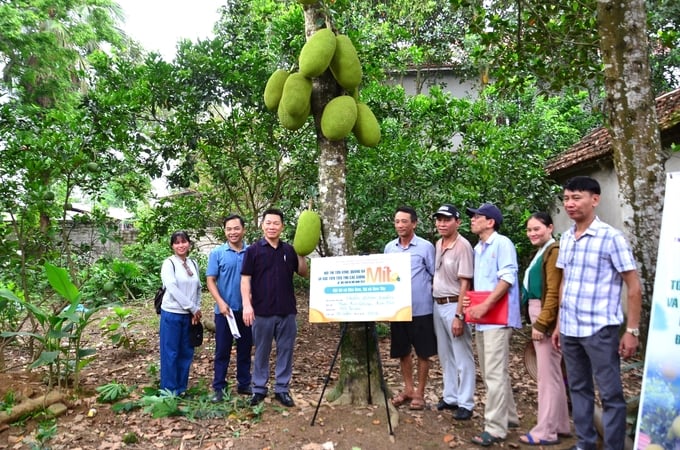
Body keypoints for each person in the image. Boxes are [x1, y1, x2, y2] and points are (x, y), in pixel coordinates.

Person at [551, 176, 642, 450]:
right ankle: (586, 443)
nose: (570, 203)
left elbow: (633, 285)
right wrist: (558, 325)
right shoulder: (567, 238)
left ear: (595, 199)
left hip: (600, 330)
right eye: (566, 198)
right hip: (570, 329)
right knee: (578, 389)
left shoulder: (611, 238)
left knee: (611, 393)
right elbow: (565, 282)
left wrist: (632, 330)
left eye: (576, 197)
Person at [463, 203, 521, 447]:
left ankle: (495, 428)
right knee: (491, 372)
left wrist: (484, 305)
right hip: (484, 318)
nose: (473, 220)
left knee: (494, 374)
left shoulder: (502, 243)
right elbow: (486, 283)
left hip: (498, 317)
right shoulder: (478, 249)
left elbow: (507, 278)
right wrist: (472, 300)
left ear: (491, 222)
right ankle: (509, 416)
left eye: (478, 217)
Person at [241, 208, 309, 408]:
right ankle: (259, 389)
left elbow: (303, 273)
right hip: (262, 311)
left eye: (276, 223)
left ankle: (282, 389)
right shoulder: (253, 250)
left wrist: (302, 255)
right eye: (268, 223)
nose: (272, 227)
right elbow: (245, 279)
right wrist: (247, 305)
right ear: (262, 225)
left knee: (285, 351)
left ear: (282, 227)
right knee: (261, 351)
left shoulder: (289, 250)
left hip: (287, 311)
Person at [519, 212, 571, 446]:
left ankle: (546, 430)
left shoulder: (553, 251)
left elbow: (553, 292)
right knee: (552, 373)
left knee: (546, 376)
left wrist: (542, 323)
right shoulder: (542, 251)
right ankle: (560, 424)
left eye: (537, 229)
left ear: (550, 228)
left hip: (544, 314)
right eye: (529, 230)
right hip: (537, 310)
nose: (532, 233)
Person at [384, 206, 436, 411]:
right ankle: (408, 389)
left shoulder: (425, 247)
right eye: (397, 221)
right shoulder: (390, 248)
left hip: (422, 309)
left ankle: (420, 393)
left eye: (404, 221)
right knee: (403, 351)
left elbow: (435, 274)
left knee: (423, 352)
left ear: (414, 223)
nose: (400, 225)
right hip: (399, 309)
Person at [431, 204, 476, 421]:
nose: (442, 223)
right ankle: (451, 397)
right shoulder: (438, 243)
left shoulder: (463, 246)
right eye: (439, 219)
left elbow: (465, 282)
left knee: (462, 354)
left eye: (446, 219)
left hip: (454, 305)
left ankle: (466, 402)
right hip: (437, 304)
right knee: (445, 353)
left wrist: (459, 315)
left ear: (457, 222)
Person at [206, 214, 252, 402]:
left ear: (243, 230)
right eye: (229, 229)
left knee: (245, 349)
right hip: (224, 312)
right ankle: (219, 387)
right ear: (224, 231)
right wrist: (220, 302)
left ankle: (244, 383)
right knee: (222, 350)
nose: (233, 232)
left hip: (247, 310)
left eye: (236, 228)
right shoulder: (217, 253)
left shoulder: (252, 251)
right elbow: (210, 280)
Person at [159, 230, 202, 396]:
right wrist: (193, 308)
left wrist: (196, 309)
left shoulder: (193, 263)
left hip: (190, 317)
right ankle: (169, 391)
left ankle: (181, 388)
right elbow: (172, 288)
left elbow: (198, 288)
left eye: (183, 242)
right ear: (172, 246)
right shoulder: (169, 263)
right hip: (172, 314)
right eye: (177, 242)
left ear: (189, 244)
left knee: (186, 352)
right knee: (170, 353)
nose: (181, 245)